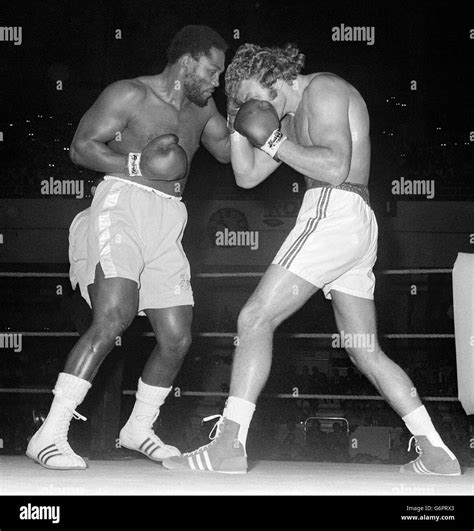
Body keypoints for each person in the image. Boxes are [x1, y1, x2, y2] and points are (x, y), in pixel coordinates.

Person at [163, 43, 461, 476]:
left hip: (333, 209)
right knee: (365, 350)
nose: (256, 108)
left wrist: (277, 139)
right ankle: (437, 452)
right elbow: (247, 176)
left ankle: (228, 445)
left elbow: (336, 166)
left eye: (254, 98)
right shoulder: (286, 115)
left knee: (253, 319)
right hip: (351, 224)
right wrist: (236, 124)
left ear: (272, 75)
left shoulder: (323, 89)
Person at [26, 25, 230, 470]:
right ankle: (50, 433)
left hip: (170, 218)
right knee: (114, 316)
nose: (216, 81)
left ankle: (138, 428)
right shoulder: (130, 94)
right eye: (212, 70)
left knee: (176, 338)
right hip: (122, 204)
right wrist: (139, 163)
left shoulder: (203, 109)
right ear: (188, 61)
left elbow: (232, 153)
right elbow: (82, 148)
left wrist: (273, 123)